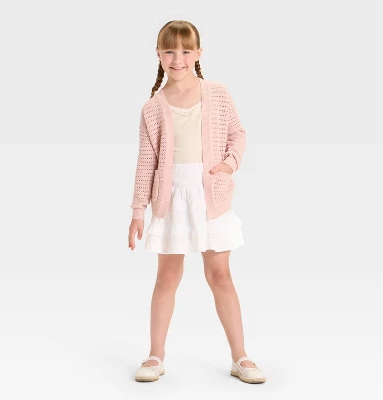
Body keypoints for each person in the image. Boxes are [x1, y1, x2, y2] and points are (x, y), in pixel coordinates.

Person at [128, 20, 266, 384]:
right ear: (158, 55)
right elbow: (146, 162)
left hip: (210, 198)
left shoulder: (217, 93)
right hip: (171, 198)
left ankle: (240, 356)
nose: (178, 59)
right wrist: (138, 211)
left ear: (199, 54)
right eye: (169, 51)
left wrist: (229, 164)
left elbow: (237, 133)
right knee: (167, 276)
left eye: (186, 51)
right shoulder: (153, 108)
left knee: (220, 275)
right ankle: (155, 355)